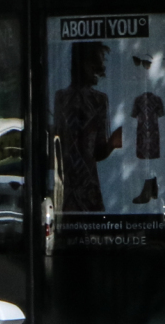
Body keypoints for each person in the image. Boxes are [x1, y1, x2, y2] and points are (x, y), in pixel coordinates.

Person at [52, 41, 122, 213]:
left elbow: (60, 148)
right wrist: (113, 143)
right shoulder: (98, 100)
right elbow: (97, 152)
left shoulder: (60, 98)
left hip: (68, 188)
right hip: (86, 189)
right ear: (84, 64)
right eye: (95, 64)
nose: (100, 71)